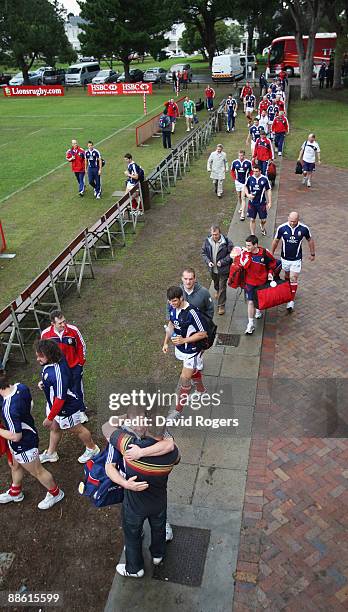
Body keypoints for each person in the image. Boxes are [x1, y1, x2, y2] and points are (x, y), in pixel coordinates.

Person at [108, 420, 179, 578]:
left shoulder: (128, 445)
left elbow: (106, 427)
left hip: (135, 504)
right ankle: (157, 555)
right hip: (159, 500)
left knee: (132, 534)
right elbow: (173, 450)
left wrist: (125, 484)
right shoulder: (173, 453)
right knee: (159, 527)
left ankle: (134, 569)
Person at [0, 373, 64, 510]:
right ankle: (15, 492)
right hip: (29, 434)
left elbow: (16, 436)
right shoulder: (20, 387)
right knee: (15, 466)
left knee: (38, 471)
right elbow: (30, 404)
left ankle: (56, 493)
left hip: (23, 445)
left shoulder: (9, 409)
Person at [36, 339, 100, 465]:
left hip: (66, 408)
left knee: (78, 429)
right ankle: (51, 453)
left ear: (49, 355)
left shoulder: (57, 373)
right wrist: (44, 383)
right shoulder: (53, 362)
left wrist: (50, 417)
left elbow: (60, 398)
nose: (37, 358)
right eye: (37, 355)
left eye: (41, 356)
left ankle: (92, 448)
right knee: (55, 427)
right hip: (55, 406)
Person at [163, 286, 209, 414]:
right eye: (170, 301)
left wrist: (183, 340)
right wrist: (165, 343)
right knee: (192, 372)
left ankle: (177, 411)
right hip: (181, 349)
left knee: (184, 378)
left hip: (192, 350)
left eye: (175, 301)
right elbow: (171, 324)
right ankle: (201, 390)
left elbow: (203, 333)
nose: (172, 304)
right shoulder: (172, 308)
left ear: (181, 298)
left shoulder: (192, 312)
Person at [41, 310, 88, 423]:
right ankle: (63, 410)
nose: (63, 325)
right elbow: (44, 352)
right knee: (61, 391)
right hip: (59, 370)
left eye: (64, 321)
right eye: (60, 323)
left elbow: (81, 346)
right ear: (53, 323)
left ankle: (81, 411)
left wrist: (80, 363)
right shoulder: (46, 334)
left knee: (77, 389)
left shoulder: (73, 330)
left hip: (74, 367)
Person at [271, 211, 315, 312]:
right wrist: (271, 253)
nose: (292, 223)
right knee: (287, 276)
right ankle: (288, 291)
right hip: (285, 258)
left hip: (296, 259)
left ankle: (290, 301)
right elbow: (276, 241)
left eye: (294, 221)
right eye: (290, 221)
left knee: (293, 278)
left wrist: (312, 254)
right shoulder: (282, 228)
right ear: (288, 219)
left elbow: (310, 240)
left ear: (298, 220)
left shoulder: (304, 229)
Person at [234, 235, 278, 335]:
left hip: (262, 282)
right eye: (246, 245)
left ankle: (258, 311)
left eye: (249, 245)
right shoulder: (245, 254)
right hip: (249, 283)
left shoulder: (265, 253)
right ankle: (250, 324)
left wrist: (270, 273)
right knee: (250, 302)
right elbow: (244, 265)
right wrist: (246, 254)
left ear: (256, 245)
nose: (247, 247)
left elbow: (272, 263)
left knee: (258, 300)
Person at [201, 225, 233, 315]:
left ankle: (221, 305)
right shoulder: (207, 241)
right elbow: (203, 253)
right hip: (212, 269)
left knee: (223, 286)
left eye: (217, 234)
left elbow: (232, 254)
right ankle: (217, 290)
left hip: (223, 269)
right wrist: (208, 262)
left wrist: (222, 262)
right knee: (216, 282)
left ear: (220, 233)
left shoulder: (226, 242)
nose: (215, 236)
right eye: (213, 234)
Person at [244, 162, 272, 236]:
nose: (255, 173)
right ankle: (252, 234)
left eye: (256, 171)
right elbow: (245, 187)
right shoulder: (250, 178)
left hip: (261, 203)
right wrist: (248, 194)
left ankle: (262, 226)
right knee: (252, 219)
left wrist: (270, 202)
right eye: (254, 171)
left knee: (263, 220)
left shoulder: (264, 179)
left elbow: (268, 190)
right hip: (252, 203)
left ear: (260, 171)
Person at [230, 150, 252, 221]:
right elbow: (232, 171)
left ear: (244, 155)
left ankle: (242, 213)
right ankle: (241, 207)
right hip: (237, 182)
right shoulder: (234, 162)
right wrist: (234, 178)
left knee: (243, 197)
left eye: (242, 155)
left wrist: (250, 180)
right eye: (239, 155)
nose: (240, 157)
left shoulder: (248, 163)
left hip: (245, 183)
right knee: (239, 196)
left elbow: (251, 171)